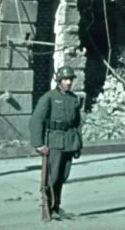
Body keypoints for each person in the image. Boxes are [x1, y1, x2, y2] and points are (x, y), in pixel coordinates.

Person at [30, 66, 83, 218]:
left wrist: (78, 144)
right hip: (54, 141)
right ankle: (48, 206)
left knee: (63, 176)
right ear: (59, 81)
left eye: (70, 80)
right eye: (65, 79)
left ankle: (56, 207)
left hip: (69, 142)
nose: (68, 82)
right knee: (52, 177)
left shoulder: (73, 98)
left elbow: (77, 123)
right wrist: (38, 144)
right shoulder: (49, 97)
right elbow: (37, 120)